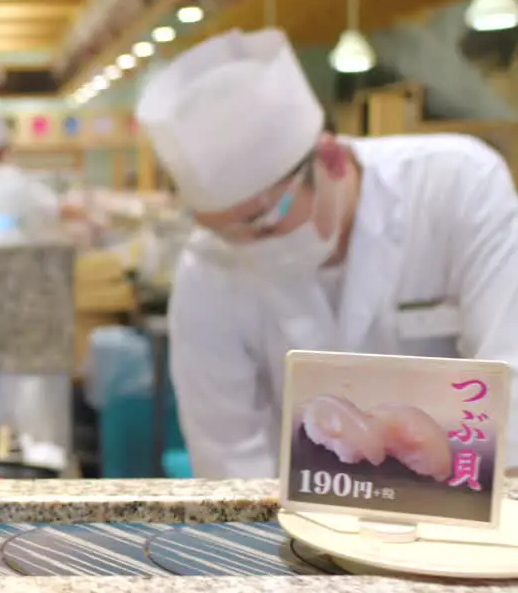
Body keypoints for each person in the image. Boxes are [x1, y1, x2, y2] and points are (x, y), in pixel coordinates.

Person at [135, 27, 518, 478]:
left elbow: (508, 382)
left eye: (262, 221)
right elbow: (229, 450)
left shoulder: (456, 185)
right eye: (225, 231)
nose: (249, 247)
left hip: (459, 505)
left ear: (331, 160)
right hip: (298, 525)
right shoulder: (207, 267)